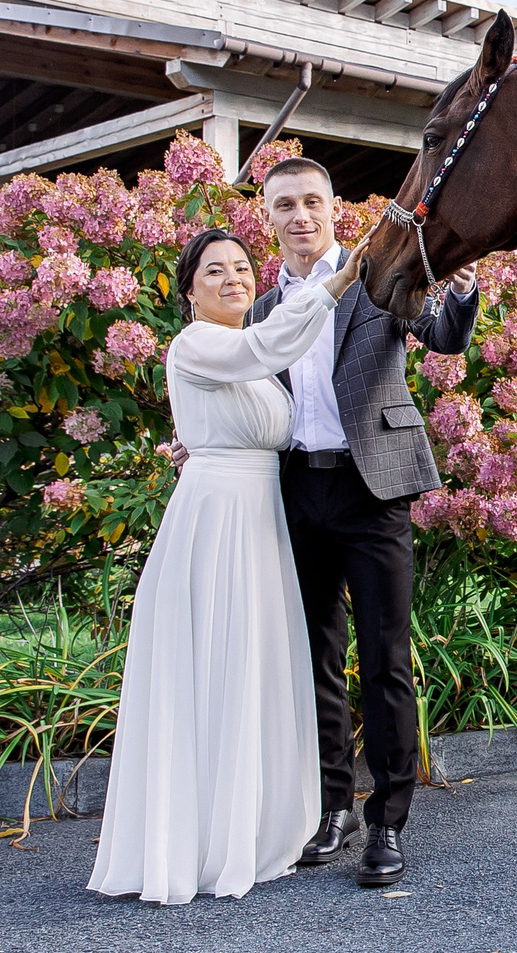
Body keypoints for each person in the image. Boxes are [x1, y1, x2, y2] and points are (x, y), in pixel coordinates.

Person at [86, 226, 369, 906]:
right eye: (214, 270)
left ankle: (249, 827)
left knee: (251, 668)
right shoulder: (199, 343)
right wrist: (336, 283)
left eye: (242, 267)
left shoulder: (246, 356)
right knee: (214, 666)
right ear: (189, 290)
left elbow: (264, 393)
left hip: (260, 518)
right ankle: (200, 842)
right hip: (216, 522)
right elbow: (262, 346)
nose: (233, 278)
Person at [253, 157, 478, 886]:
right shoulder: (261, 310)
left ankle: (387, 818)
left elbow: (443, 335)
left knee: (385, 659)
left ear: (333, 207)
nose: (300, 216)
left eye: (311, 201)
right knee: (314, 657)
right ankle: (334, 807)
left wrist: (461, 291)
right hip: (294, 489)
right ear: (268, 216)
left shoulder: (376, 277)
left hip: (372, 487)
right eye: (284, 204)